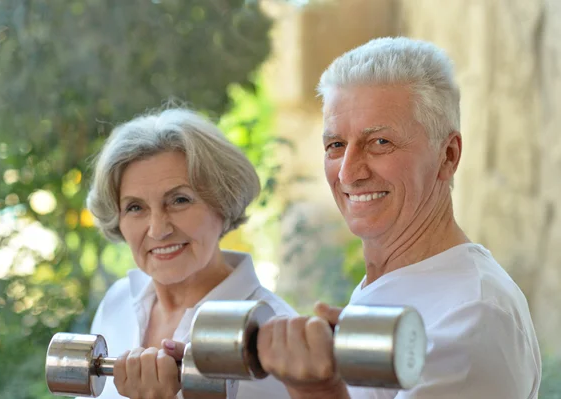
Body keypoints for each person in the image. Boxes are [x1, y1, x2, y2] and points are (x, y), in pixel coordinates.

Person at [253, 37, 542, 398]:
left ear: (448, 156)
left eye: (380, 143)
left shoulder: (472, 316)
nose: (347, 173)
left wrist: (316, 389)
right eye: (336, 146)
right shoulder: (394, 285)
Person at [84, 108, 297, 399]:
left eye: (179, 200)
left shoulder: (276, 336)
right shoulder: (117, 303)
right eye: (135, 207)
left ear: (222, 205)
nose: (158, 230)